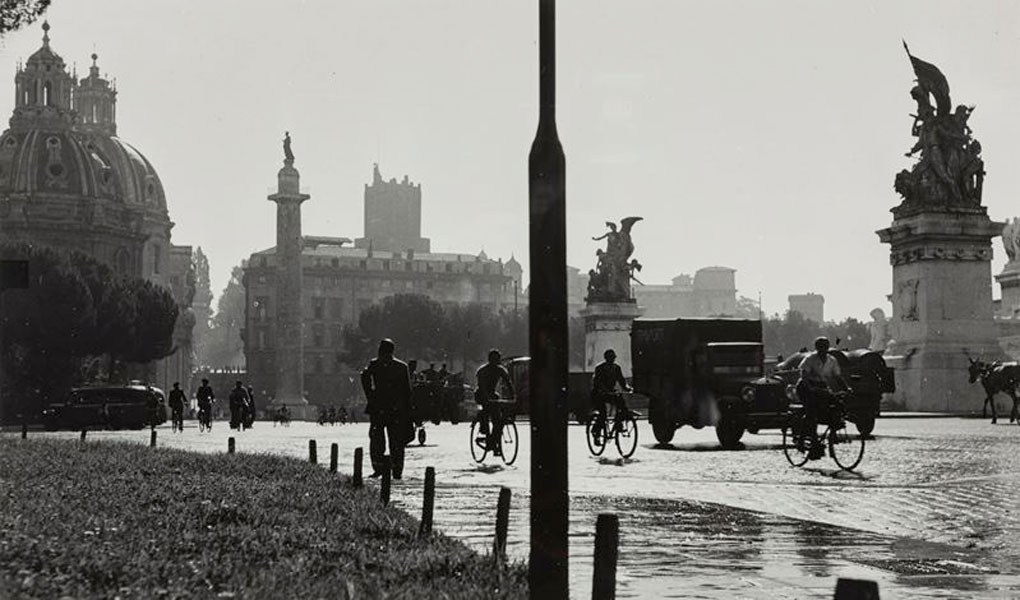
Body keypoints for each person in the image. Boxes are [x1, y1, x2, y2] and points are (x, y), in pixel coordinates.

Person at [360, 339, 412, 480]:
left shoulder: (374, 364)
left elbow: (364, 377)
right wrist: (408, 411)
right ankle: (396, 470)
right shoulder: (401, 367)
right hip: (396, 409)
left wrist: (370, 395)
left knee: (377, 440)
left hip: (378, 407)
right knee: (396, 441)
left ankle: (379, 467)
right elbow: (407, 391)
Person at [795, 337, 851, 459]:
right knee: (812, 412)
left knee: (835, 406)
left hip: (821, 388)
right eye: (820, 347)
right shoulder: (810, 359)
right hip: (805, 387)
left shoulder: (832, 360)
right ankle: (806, 441)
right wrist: (810, 387)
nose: (823, 350)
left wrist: (846, 388)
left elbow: (837, 377)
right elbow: (804, 375)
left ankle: (832, 434)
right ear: (816, 348)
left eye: (825, 347)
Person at [475, 349, 514, 455]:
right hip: (481, 394)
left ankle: (494, 441)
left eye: (497, 359)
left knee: (498, 420)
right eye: (494, 359)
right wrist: (487, 397)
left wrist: (513, 395)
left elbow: (508, 382)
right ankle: (486, 433)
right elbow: (481, 386)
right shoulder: (482, 370)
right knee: (486, 413)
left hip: (492, 395)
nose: (496, 361)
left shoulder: (500, 370)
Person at [589, 349, 632, 442]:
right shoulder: (599, 368)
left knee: (621, 404)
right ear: (606, 358)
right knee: (602, 414)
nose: (611, 360)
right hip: (598, 394)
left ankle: (619, 424)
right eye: (609, 358)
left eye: (613, 358)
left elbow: (622, 381)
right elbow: (598, 382)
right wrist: (604, 390)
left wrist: (628, 388)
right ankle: (596, 432)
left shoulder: (616, 368)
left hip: (610, 392)